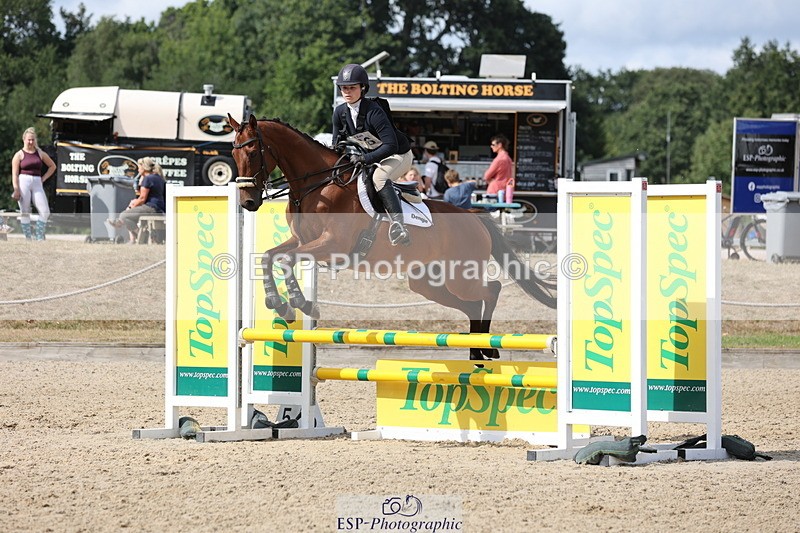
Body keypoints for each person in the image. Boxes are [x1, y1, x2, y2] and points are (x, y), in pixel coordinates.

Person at [332, 63, 413, 246]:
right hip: (371, 157)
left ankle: (399, 226)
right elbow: (336, 145)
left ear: (363, 88)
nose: (347, 92)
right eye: (344, 88)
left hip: (398, 155)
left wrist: (365, 158)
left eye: (352, 87)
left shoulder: (374, 111)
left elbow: (391, 145)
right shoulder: (339, 112)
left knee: (379, 178)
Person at [10, 127, 56, 241]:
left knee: (45, 211)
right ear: (24, 139)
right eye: (29, 140)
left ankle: (39, 235)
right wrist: (16, 189)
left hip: (37, 182)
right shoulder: (19, 155)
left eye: (33, 140)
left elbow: (52, 166)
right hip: (23, 181)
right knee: (25, 211)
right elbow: (15, 174)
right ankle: (28, 238)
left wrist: (44, 178)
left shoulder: (40, 153)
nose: (31, 142)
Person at [111, 157, 166, 244]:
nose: (138, 169)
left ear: (144, 167)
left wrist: (131, 206)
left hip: (151, 207)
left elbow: (142, 199)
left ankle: (143, 235)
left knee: (124, 216)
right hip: (160, 207)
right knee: (129, 216)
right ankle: (134, 238)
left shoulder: (148, 179)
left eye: (139, 167)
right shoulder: (158, 177)